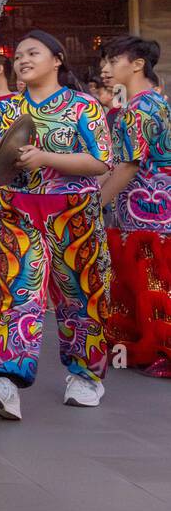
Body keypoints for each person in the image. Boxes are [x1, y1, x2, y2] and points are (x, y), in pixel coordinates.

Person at [0, 30, 113, 420]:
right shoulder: (5, 109)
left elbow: (101, 161)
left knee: (79, 294)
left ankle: (85, 374)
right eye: (17, 56)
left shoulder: (83, 106)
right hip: (17, 210)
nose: (22, 60)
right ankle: (5, 380)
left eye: (32, 53)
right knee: (19, 292)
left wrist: (45, 157)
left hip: (73, 213)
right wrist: (1, 152)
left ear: (57, 60)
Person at [98, 35, 170, 377]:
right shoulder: (152, 103)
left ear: (137, 64)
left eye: (114, 61)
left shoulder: (140, 108)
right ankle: (148, 346)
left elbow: (128, 166)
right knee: (147, 279)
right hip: (148, 205)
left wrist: (96, 203)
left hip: (149, 207)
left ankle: (160, 350)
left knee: (151, 280)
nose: (107, 68)